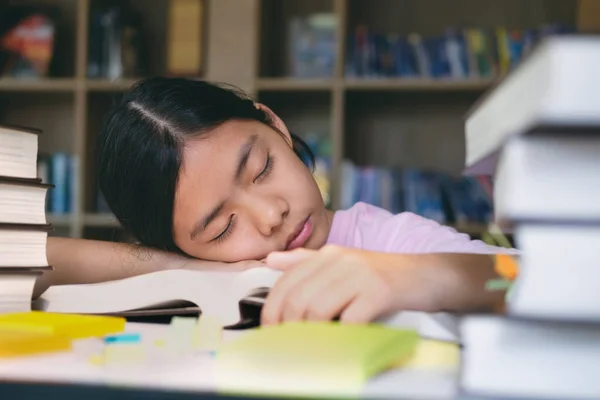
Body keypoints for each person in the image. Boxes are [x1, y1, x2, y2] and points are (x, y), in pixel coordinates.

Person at [41, 77, 517, 325]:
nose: (272, 216)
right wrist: (190, 271)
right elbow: (22, 256)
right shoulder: (196, 275)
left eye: (262, 168)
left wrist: (415, 276)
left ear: (274, 125)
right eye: (221, 229)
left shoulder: (384, 237)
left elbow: (523, 281)